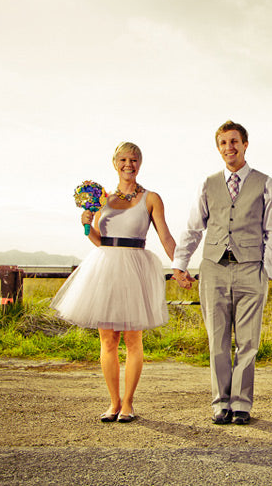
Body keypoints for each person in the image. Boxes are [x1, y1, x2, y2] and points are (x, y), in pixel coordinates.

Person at [52, 142, 176, 423]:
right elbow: (98, 239)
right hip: (106, 268)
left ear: (140, 163)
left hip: (135, 268)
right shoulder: (101, 199)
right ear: (114, 163)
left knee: (133, 339)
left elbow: (165, 237)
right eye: (123, 159)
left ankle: (129, 403)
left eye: (133, 159)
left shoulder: (151, 198)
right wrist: (85, 224)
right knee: (108, 340)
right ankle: (113, 402)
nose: (128, 164)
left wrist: (179, 266)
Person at [171, 120, 272, 426]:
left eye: (234, 142)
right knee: (217, 340)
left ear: (245, 144)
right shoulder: (208, 184)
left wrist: (266, 272)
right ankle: (220, 403)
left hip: (250, 270)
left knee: (248, 342)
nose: (229, 148)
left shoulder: (266, 183)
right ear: (218, 147)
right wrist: (180, 264)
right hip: (213, 270)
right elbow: (194, 228)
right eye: (223, 143)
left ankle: (242, 404)